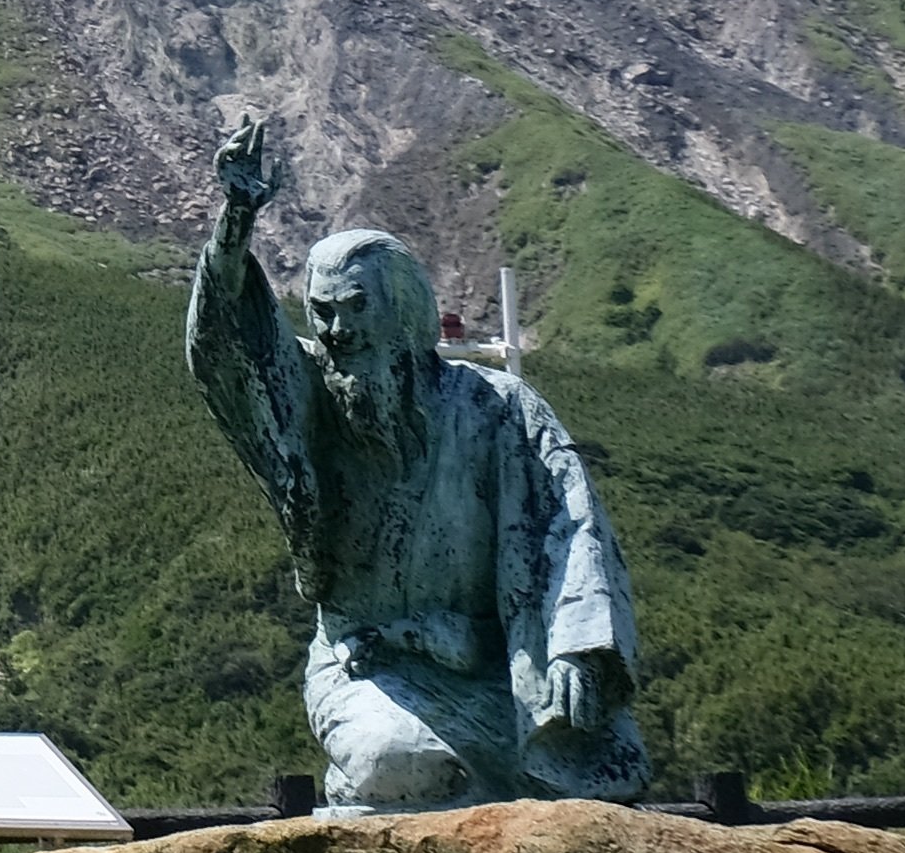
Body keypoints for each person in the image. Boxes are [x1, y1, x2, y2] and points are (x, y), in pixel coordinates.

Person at [188, 112, 651, 809]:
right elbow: (232, 355)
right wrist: (234, 224)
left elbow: (569, 524)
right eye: (321, 314)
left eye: (353, 310)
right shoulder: (313, 399)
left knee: (598, 764)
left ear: (404, 312)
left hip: (499, 671)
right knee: (397, 761)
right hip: (368, 666)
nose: (337, 333)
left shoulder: (500, 410)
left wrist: (575, 651)